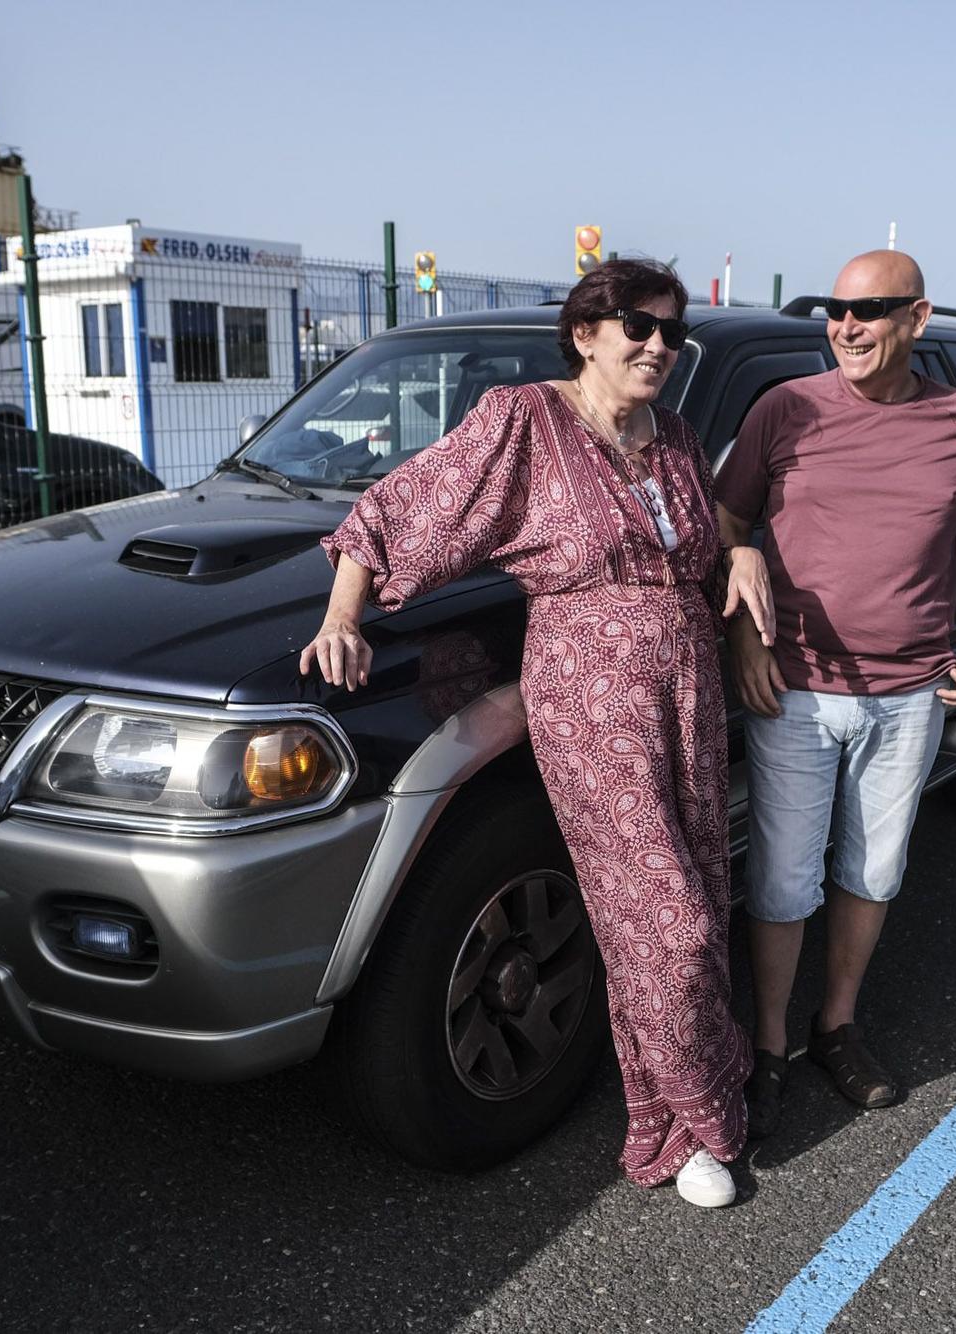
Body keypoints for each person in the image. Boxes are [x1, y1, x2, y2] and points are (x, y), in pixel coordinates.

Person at [303, 259, 774, 1208]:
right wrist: (342, 615)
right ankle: (700, 1114)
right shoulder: (525, 420)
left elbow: (714, 534)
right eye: (638, 326)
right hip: (590, 697)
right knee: (666, 924)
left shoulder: (678, 438)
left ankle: (678, 1118)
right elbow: (405, 504)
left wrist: (746, 551)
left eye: (672, 333)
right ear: (587, 331)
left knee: (696, 891)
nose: (658, 346)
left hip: (686, 687)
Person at [713, 249, 956, 1138]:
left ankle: (835, 1026)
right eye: (837, 313)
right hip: (796, 690)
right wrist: (743, 629)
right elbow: (729, 522)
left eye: (871, 310)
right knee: (780, 876)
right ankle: (767, 1043)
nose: (846, 327)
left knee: (874, 871)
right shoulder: (785, 410)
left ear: (917, 319)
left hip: (912, 693)